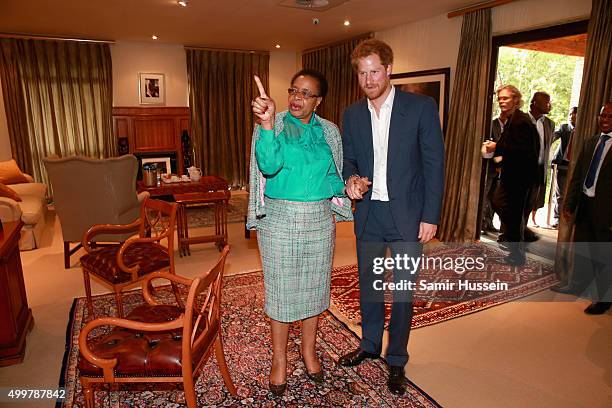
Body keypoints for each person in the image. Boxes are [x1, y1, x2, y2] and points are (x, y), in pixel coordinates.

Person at [338, 39, 445, 396]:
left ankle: (396, 358)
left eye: (374, 71)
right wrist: (350, 181)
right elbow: (349, 161)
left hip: (408, 216)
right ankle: (369, 344)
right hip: (370, 214)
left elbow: (434, 165)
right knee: (369, 285)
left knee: (401, 293)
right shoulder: (352, 115)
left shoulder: (420, 108)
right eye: (362, 73)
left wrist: (430, 215)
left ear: (388, 70)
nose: (368, 79)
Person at [246, 69, 353, 395]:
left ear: (318, 101)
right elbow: (268, 166)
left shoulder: (329, 131)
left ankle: (308, 351)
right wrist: (265, 126)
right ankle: (279, 360)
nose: (296, 98)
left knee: (314, 290)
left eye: (306, 93)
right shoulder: (272, 124)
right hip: (278, 220)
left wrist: (351, 186)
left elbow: (335, 176)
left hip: (319, 221)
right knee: (280, 293)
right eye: (294, 90)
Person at [552, 103, 611, 315]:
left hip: (606, 212)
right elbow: (577, 177)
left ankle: (604, 300)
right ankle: (576, 284)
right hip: (585, 206)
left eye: (609, 116)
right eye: (602, 115)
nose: (604, 119)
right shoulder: (590, 142)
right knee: (583, 250)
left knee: (604, 257)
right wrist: (569, 204)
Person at [491, 85, 540, 266]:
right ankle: (519, 240)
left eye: (505, 98)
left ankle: (519, 249)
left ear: (516, 100)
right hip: (512, 176)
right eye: (500, 99)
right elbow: (505, 145)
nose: (502, 101)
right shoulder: (513, 119)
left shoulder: (521, 121)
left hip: (519, 179)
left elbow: (523, 151)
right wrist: (496, 152)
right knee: (503, 207)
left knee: (506, 208)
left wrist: (496, 148)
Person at [527, 92, 556, 231]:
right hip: (521, 169)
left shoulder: (550, 124)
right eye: (547, 102)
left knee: (531, 203)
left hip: (539, 170)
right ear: (534, 103)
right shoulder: (521, 119)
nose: (550, 105)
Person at [550, 106, 578, 227]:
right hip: (562, 165)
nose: (572, 116)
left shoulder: (584, 129)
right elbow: (553, 137)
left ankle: (567, 218)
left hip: (575, 166)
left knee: (570, 194)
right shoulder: (564, 128)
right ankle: (557, 219)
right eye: (570, 114)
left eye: (575, 114)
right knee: (560, 194)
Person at [480, 116, 504, 234]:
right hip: (489, 168)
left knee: (494, 198)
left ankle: (489, 223)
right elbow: (486, 146)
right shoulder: (491, 124)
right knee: (484, 197)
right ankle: (481, 224)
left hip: (502, 170)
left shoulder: (511, 127)